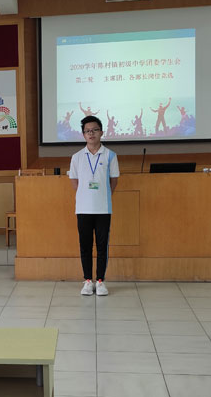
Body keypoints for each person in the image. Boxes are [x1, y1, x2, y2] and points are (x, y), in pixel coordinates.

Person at [69, 116, 120, 296]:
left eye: (95, 130)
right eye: (88, 131)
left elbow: (114, 180)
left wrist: (102, 196)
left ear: (101, 132)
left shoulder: (110, 155)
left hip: (103, 208)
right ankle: (87, 281)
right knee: (85, 245)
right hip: (83, 208)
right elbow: (74, 181)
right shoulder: (76, 157)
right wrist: (86, 195)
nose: (91, 134)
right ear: (83, 134)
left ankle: (100, 281)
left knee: (102, 245)